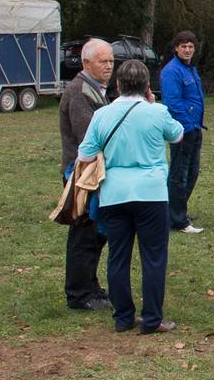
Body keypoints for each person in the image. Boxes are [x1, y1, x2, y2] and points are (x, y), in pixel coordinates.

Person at [75, 59, 184, 334]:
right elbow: (178, 134)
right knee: (154, 257)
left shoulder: (103, 115)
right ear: (148, 86)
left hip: (114, 192)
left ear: (118, 85)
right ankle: (152, 318)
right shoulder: (156, 112)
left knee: (118, 256)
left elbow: (85, 154)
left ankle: (123, 316)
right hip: (151, 192)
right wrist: (152, 103)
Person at [58, 37, 115, 311]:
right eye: (103, 61)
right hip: (81, 175)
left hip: (93, 174)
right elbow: (89, 137)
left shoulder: (95, 88)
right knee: (84, 235)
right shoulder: (80, 91)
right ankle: (79, 294)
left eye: (111, 61)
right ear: (86, 62)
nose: (108, 66)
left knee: (95, 235)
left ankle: (90, 285)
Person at [160, 31, 205, 235]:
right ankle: (177, 219)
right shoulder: (172, 71)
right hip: (183, 130)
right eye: (183, 46)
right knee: (180, 173)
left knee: (192, 172)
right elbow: (173, 103)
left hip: (195, 127)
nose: (187, 50)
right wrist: (187, 126)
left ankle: (178, 211)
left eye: (190, 46)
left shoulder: (190, 69)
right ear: (176, 48)